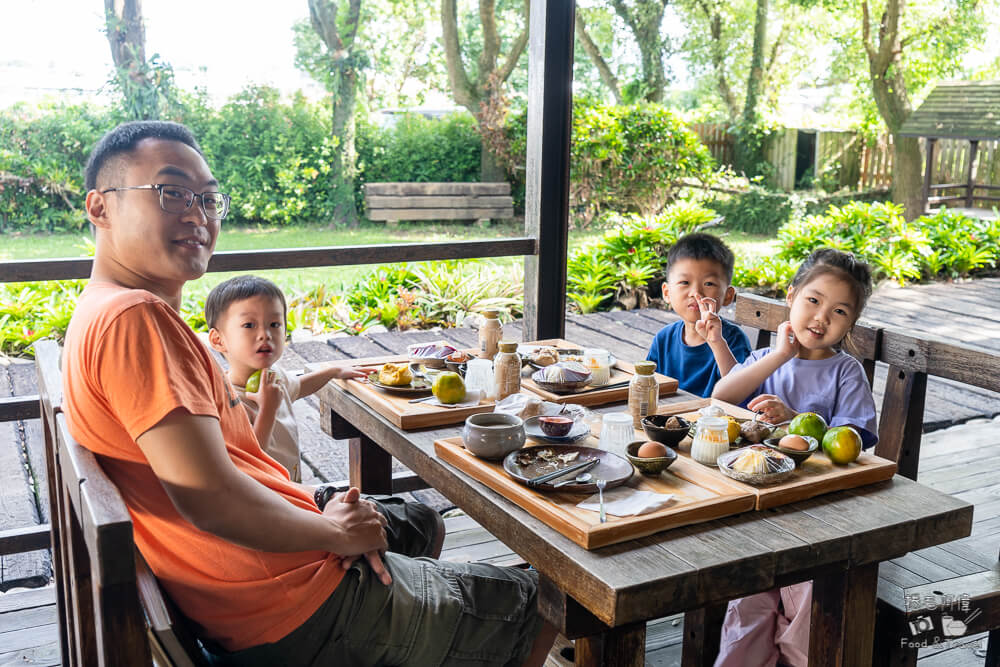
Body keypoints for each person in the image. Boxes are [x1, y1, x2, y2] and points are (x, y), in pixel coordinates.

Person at [62, 120, 555, 666]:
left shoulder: (106, 310)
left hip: (247, 579)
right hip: (284, 602)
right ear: (99, 207)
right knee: (538, 602)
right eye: (171, 192)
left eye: (208, 198)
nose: (198, 215)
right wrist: (331, 533)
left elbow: (223, 472)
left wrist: (333, 524)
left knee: (416, 521)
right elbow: (210, 499)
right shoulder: (135, 317)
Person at [710, 247, 877, 667]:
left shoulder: (846, 372)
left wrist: (796, 419)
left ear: (851, 323)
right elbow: (722, 396)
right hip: (760, 511)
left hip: (819, 517)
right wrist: (781, 355)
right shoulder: (769, 360)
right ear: (791, 297)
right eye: (814, 301)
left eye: (839, 311)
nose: (821, 318)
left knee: (805, 599)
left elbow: (853, 440)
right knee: (747, 605)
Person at [205, 275, 369, 482]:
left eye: (274, 324)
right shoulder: (227, 400)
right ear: (218, 340)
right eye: (249, 325)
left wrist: (333, 372)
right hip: (265, 499)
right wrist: (268, 409)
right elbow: (251, 458)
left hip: (291, 484)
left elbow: (298, 386)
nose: (265, 334)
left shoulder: (276, 377)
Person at [646, 232, 752, 397]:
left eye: (709, 283)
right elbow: (648, 384)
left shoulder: (733, 340)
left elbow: (740, 392)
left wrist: (717, 343)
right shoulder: (664, 339)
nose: (696, 293)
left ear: (728, 296)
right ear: (667, 293)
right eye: (684, 283)